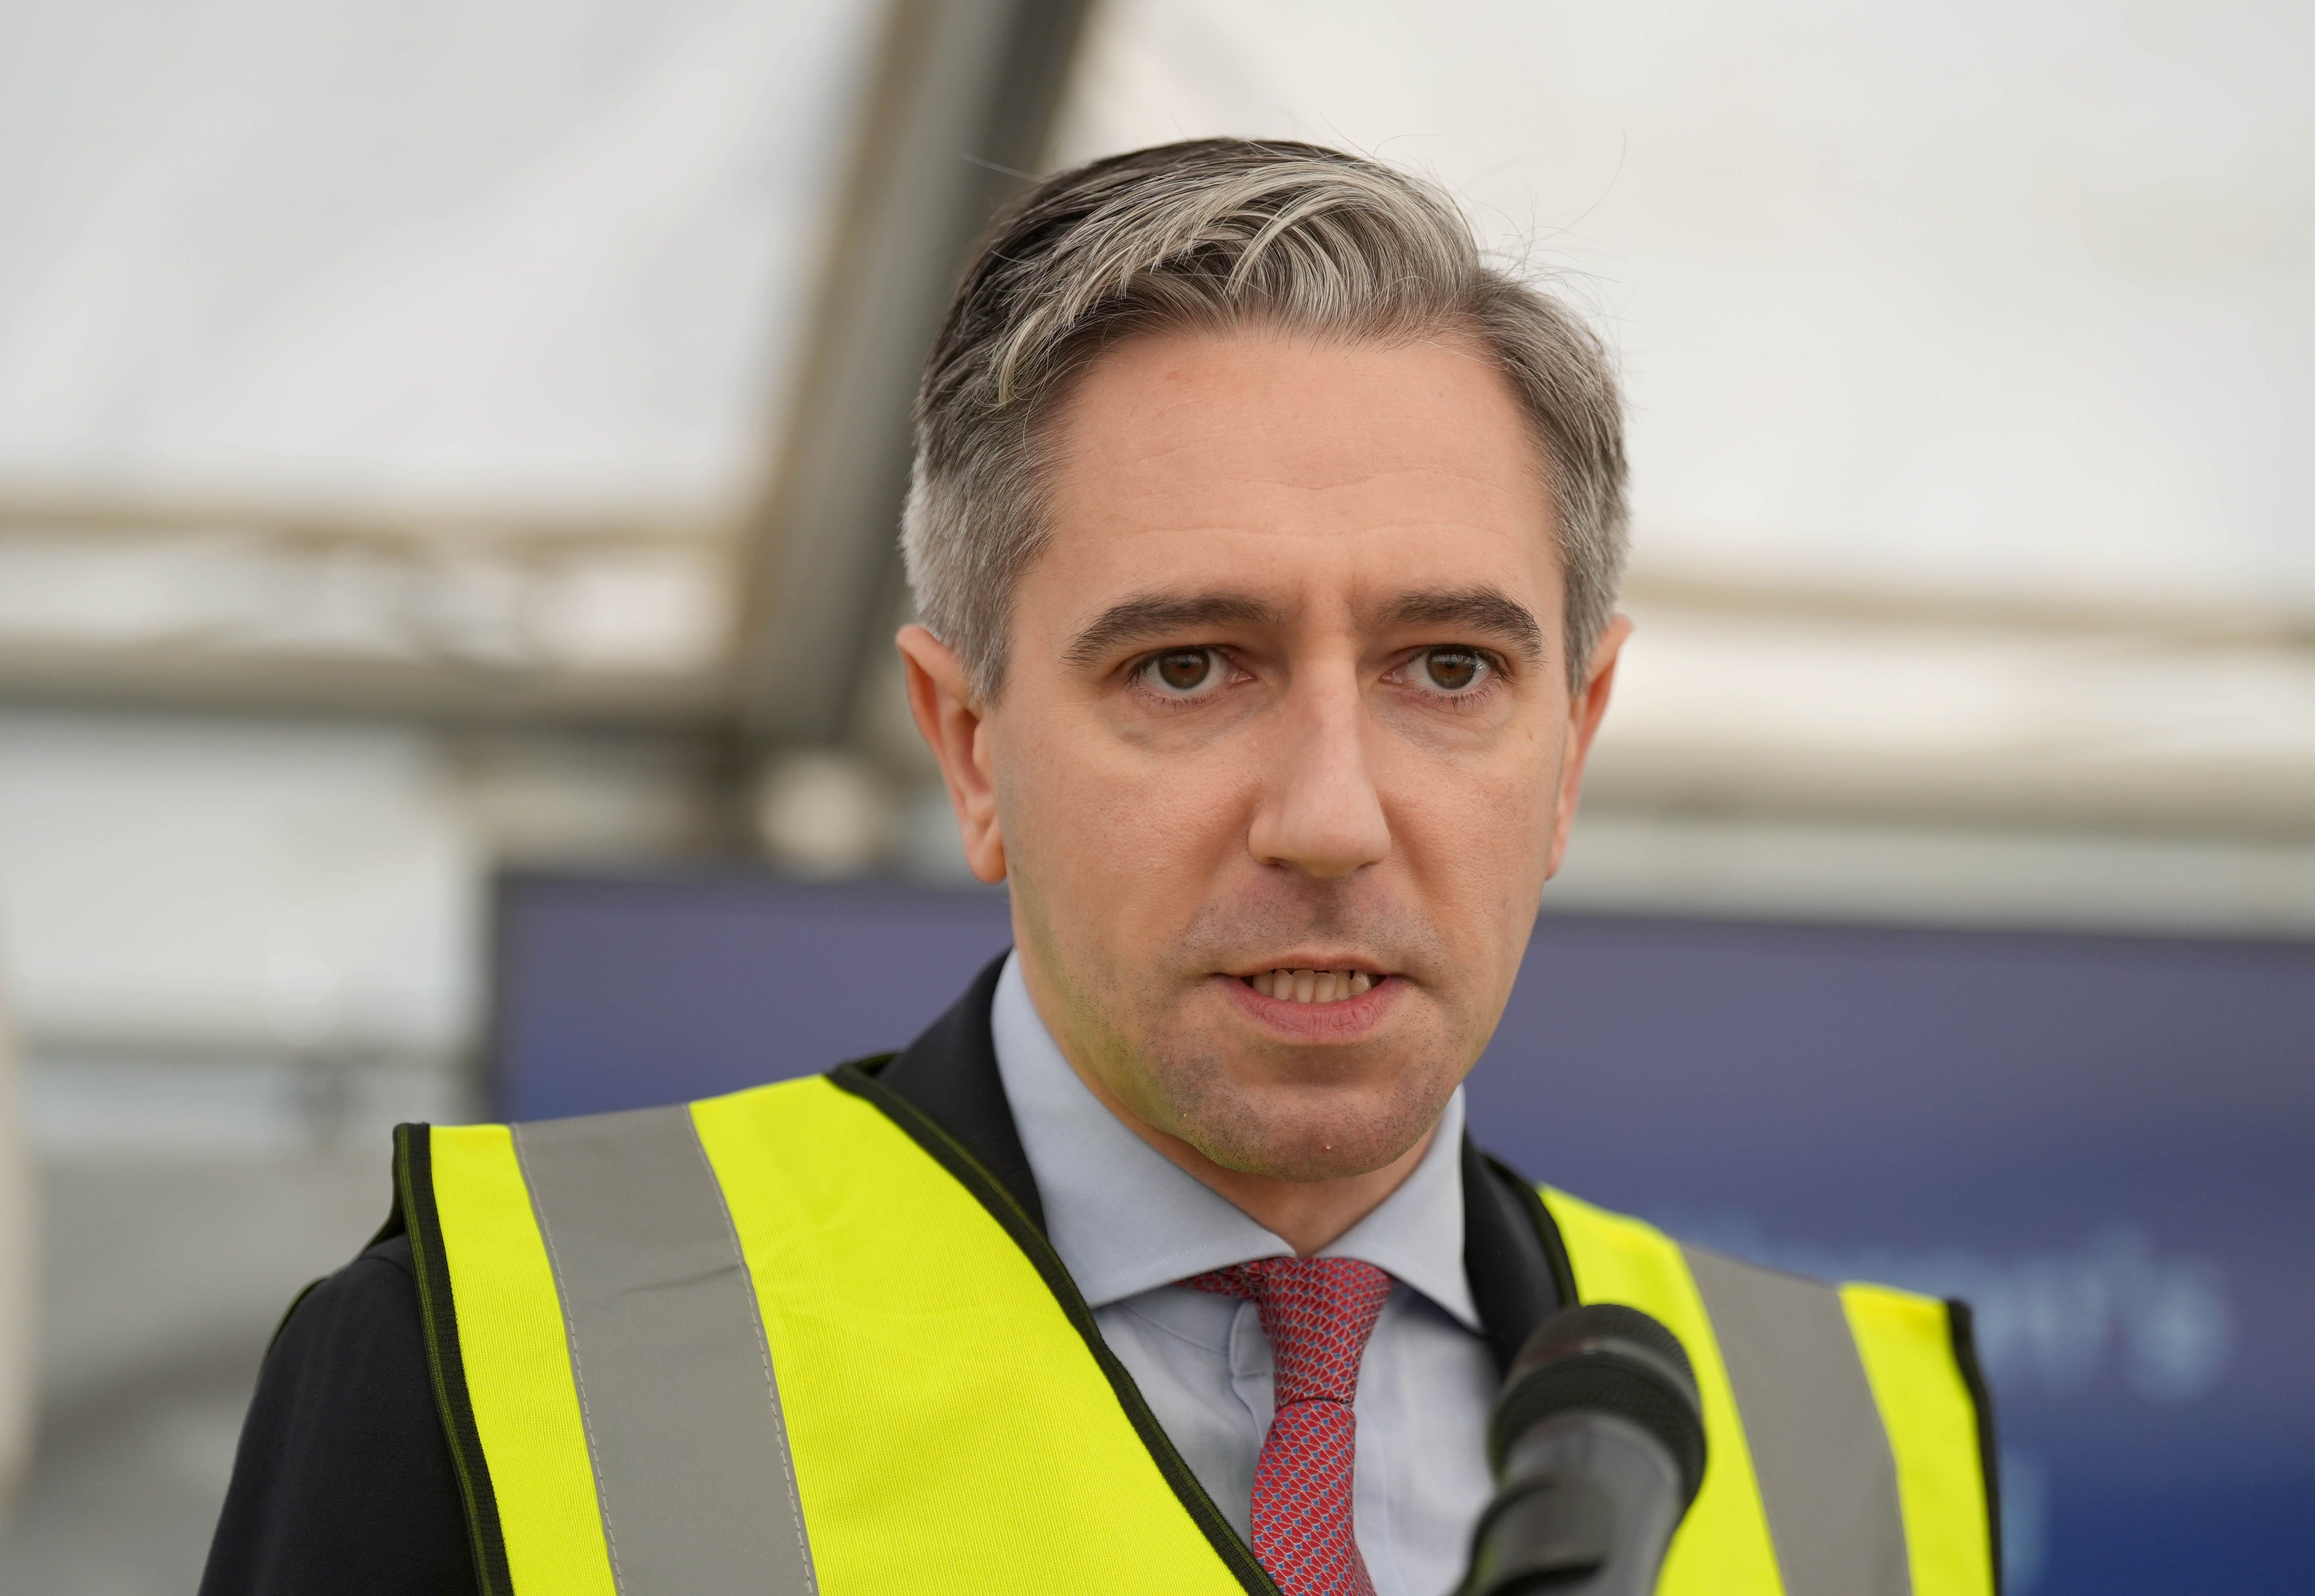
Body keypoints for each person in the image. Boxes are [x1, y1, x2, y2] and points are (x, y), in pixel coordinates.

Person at [202, 140, 1997, 1596]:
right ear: (970, 742)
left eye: (1448, 669)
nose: (1330, 814)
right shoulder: (501, 1362)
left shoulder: (1848, 1450)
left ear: (1575, 741)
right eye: (1188, 667)